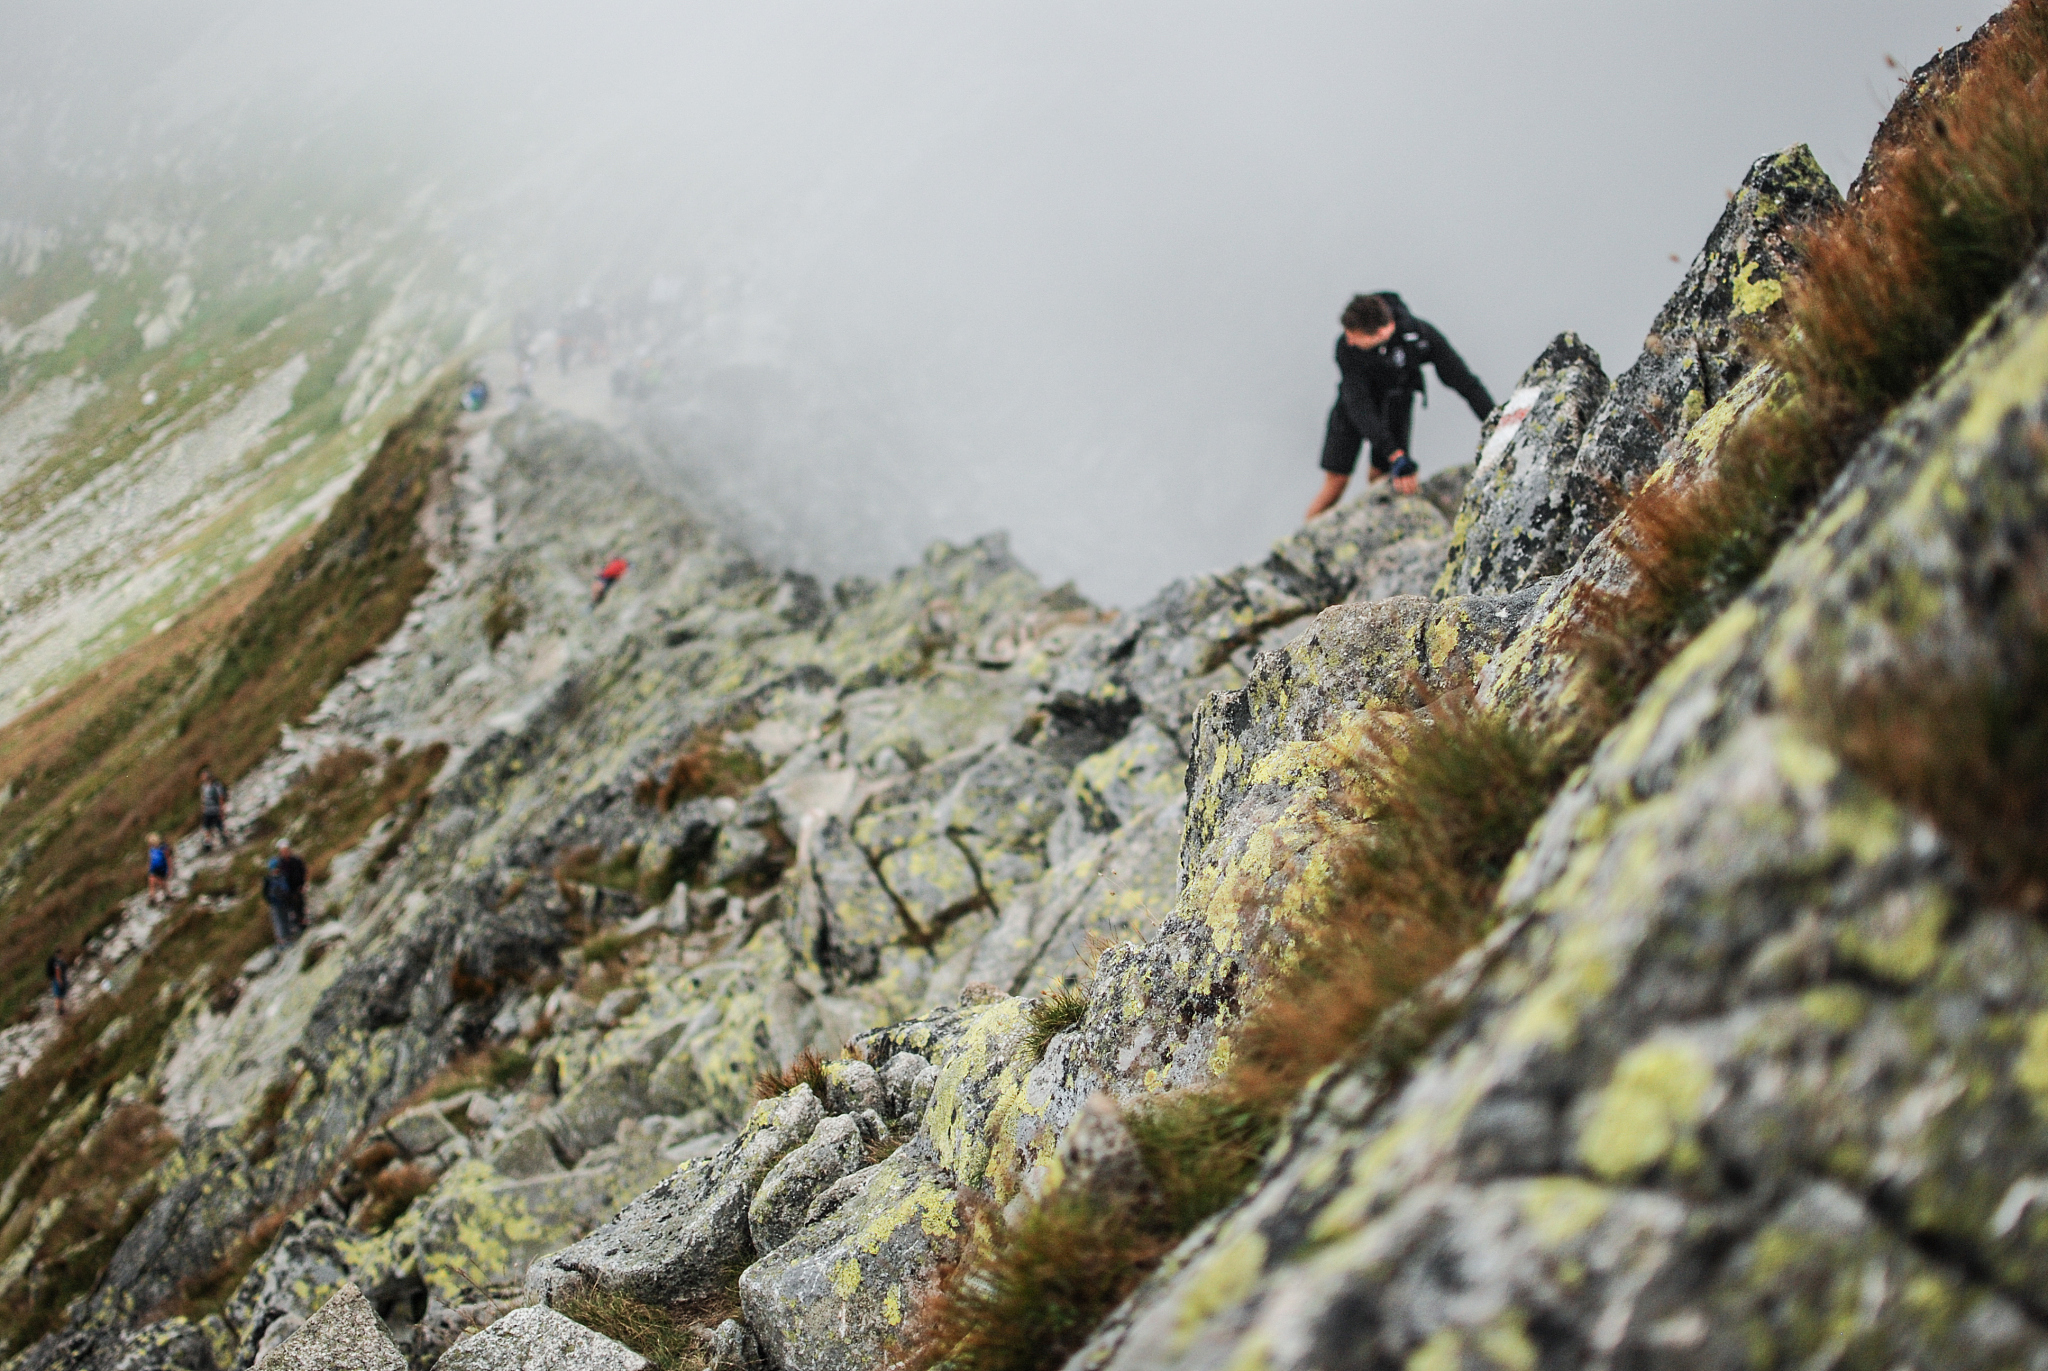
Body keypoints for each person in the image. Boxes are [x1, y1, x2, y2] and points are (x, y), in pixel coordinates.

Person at [1306, 292, 1495, 519]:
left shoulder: (1418, 336)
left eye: (1354, 335)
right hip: (1352, 410)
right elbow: (1359, 404)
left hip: (1396, 406)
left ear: (1381, 332)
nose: (1348, 340)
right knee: (1336, 481)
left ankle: (1373, 525)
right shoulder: (1346, 349)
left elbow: (1462, 380)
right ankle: (1300, 542)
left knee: (1383, 480)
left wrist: (1494, 420)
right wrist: (1395, 453)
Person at [264, 839, 308, 944]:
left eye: (286, 850)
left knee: (299, 906)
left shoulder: (296, 860)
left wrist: (302, 884)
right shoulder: (280, 864)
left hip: (297, 888)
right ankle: (290, 933)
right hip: (286, 894)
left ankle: (301, 924)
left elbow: (303, 871)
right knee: (287, 913)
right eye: (283, 851)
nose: (285, 852)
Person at [198, 765, 229, 852]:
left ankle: (225, 840)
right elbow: (203, 798)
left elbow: (221, 797)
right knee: (207, 827)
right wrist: (203, 807)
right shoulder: (203, 786)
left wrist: (221, 809)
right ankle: (208, 844)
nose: (202, 778)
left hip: (215, 809)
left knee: (219, 826)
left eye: (203, 776)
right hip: (207, 810)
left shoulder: (216, 785)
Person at [145, 832, 173, 905]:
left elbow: (168, 858)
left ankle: (167, 895)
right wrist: (149, 866)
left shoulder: (163, 848)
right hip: (154, 868)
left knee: (160, 882)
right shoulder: (151, 849)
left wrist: (169, 869)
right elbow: (150, 859)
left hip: (162, 868)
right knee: (152, 881)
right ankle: (152, 897)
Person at [46, 952, 69, 1017]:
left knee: (59, 996)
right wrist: (60, 981)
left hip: (55, 980)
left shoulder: (55, 961)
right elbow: (57, 971)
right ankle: (60, 1012)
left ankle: (61, 1010)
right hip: (58, 980)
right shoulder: (57, 962)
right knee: (59, 996)